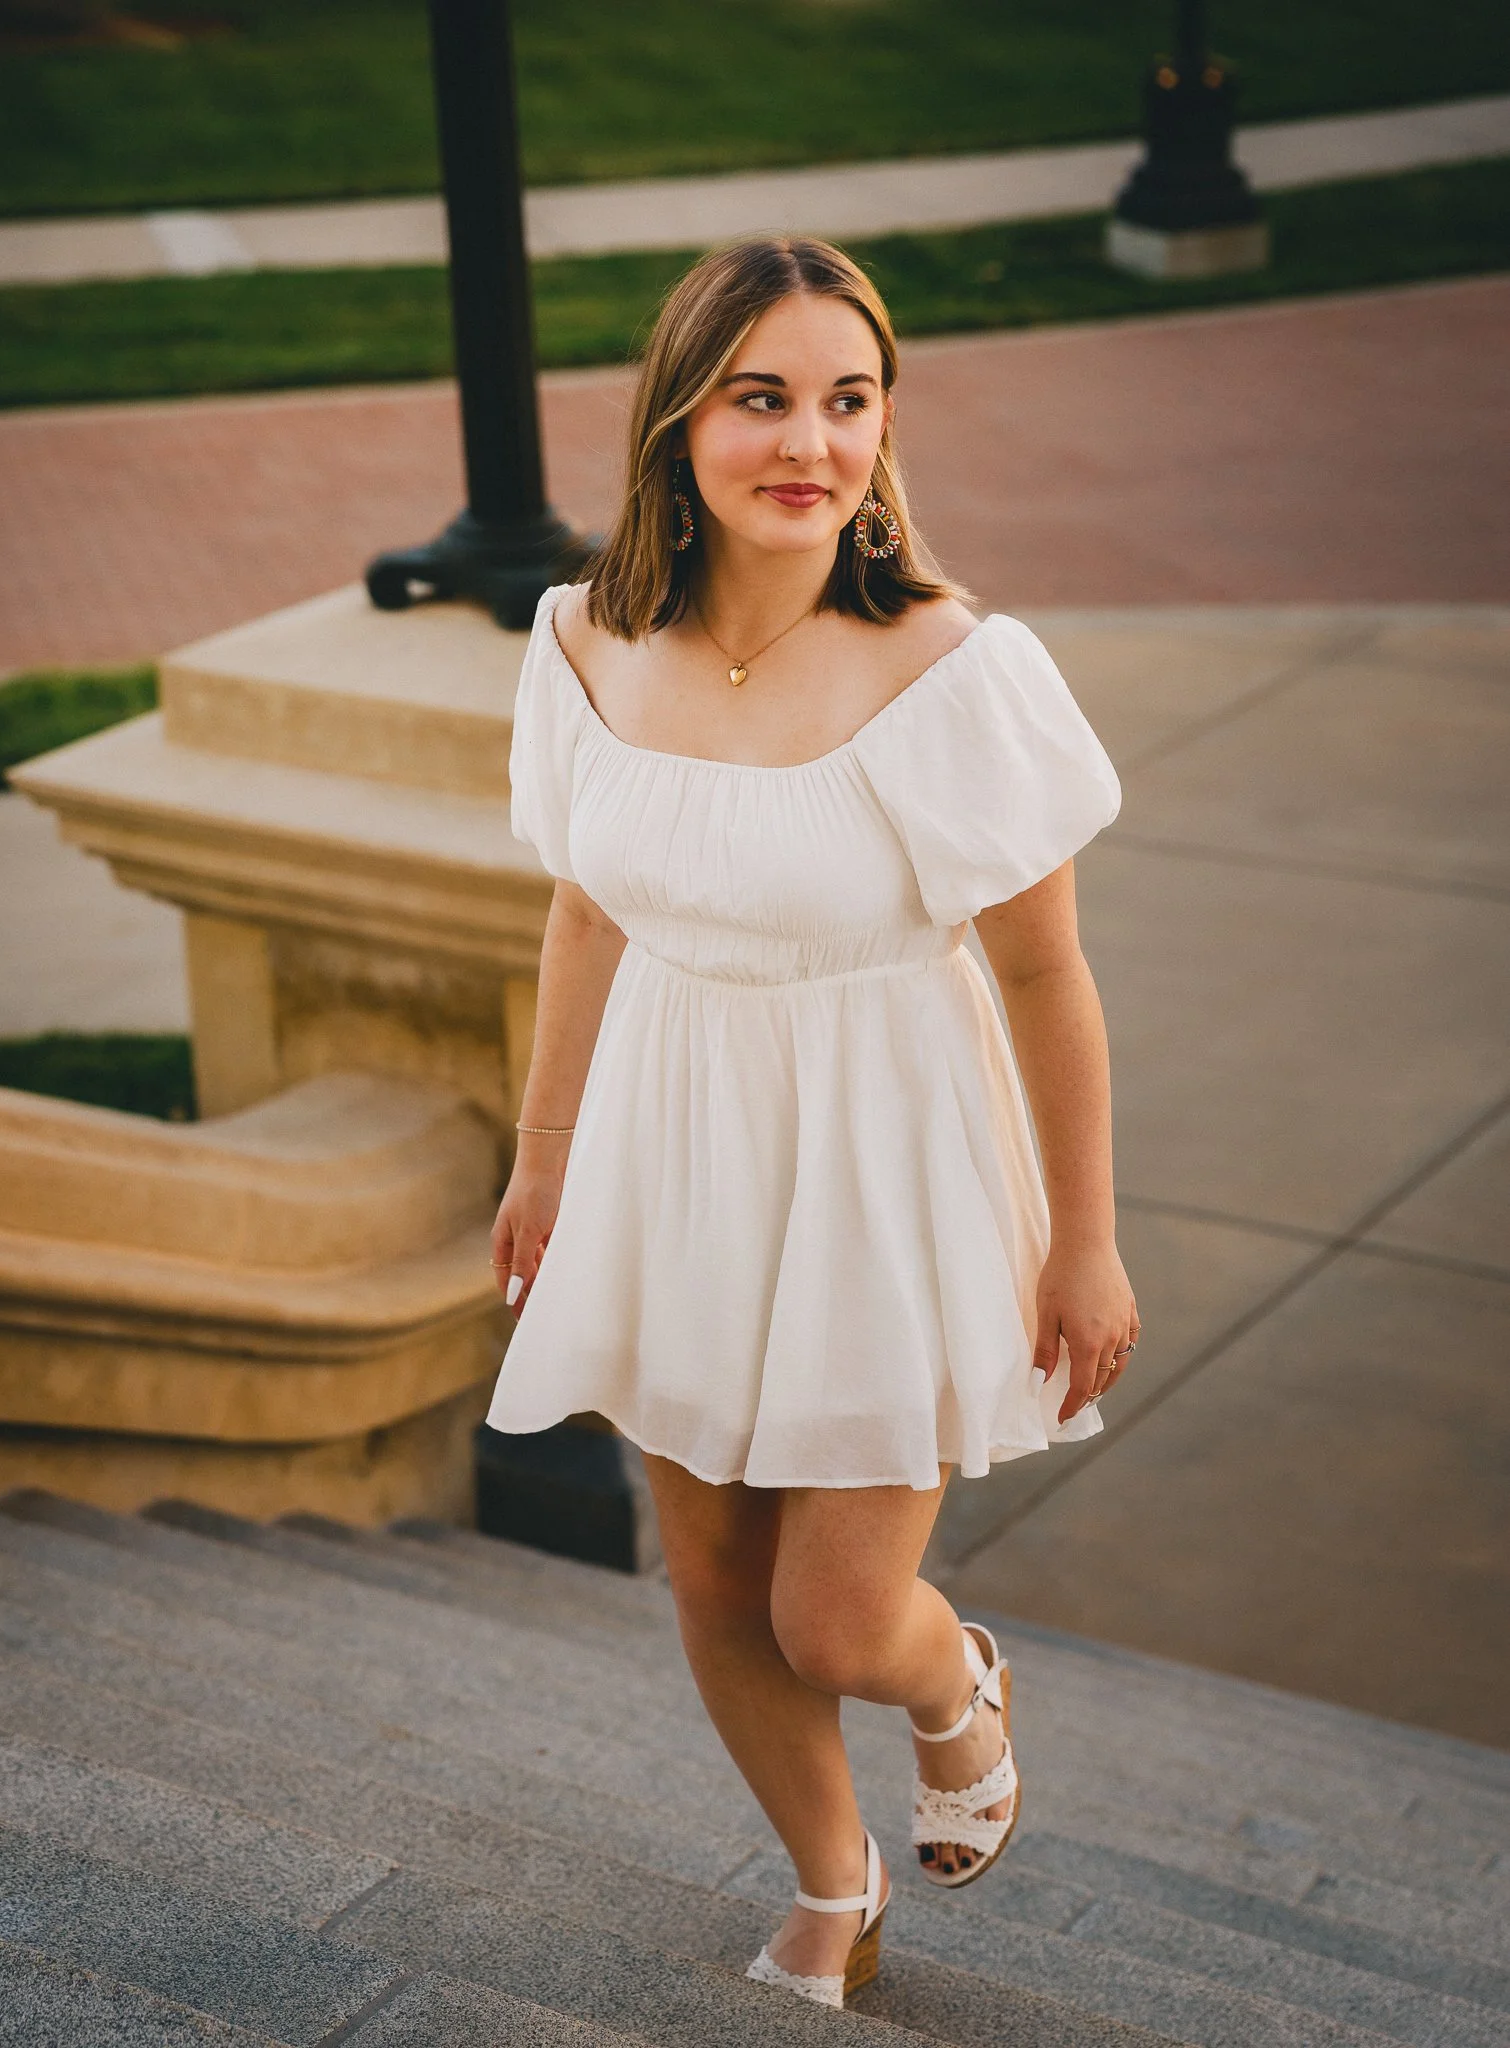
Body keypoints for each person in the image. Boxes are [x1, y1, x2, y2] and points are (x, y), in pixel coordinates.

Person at [486, 235, 1139, 2010]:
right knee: (707, 1575)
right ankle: (831, 1882)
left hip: (883, 1160)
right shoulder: (584, 639)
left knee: (833, 1616)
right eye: (761, 397)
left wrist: (1082, 1237)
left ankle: (951, 1685)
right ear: (677, 419)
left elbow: (1042, 981)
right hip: (668, 1150)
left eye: (848, 400)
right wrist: (542, 1163)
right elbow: (584, 909)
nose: (810, 442)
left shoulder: (950, 671)